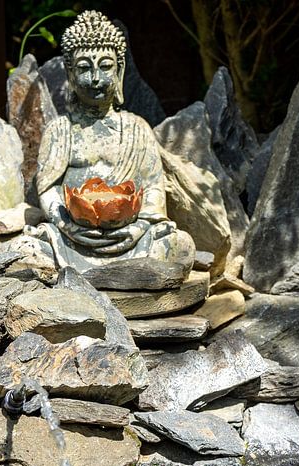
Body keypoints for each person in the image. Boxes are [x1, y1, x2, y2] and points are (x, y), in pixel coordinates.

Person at [31, 10, 194, 272]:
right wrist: (66, 226)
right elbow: (48, 188)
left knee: (181, 245)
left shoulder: (136, 128)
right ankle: (120, 280)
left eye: (105, 66)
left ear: (119, 71)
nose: (96, 78)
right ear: (70, 75)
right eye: (84, 68)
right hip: (72, 238)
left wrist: (140, 227)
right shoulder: (60, 130)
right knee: (28, 251)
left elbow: (153, 187)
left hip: (130, 236)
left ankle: (102, 279)